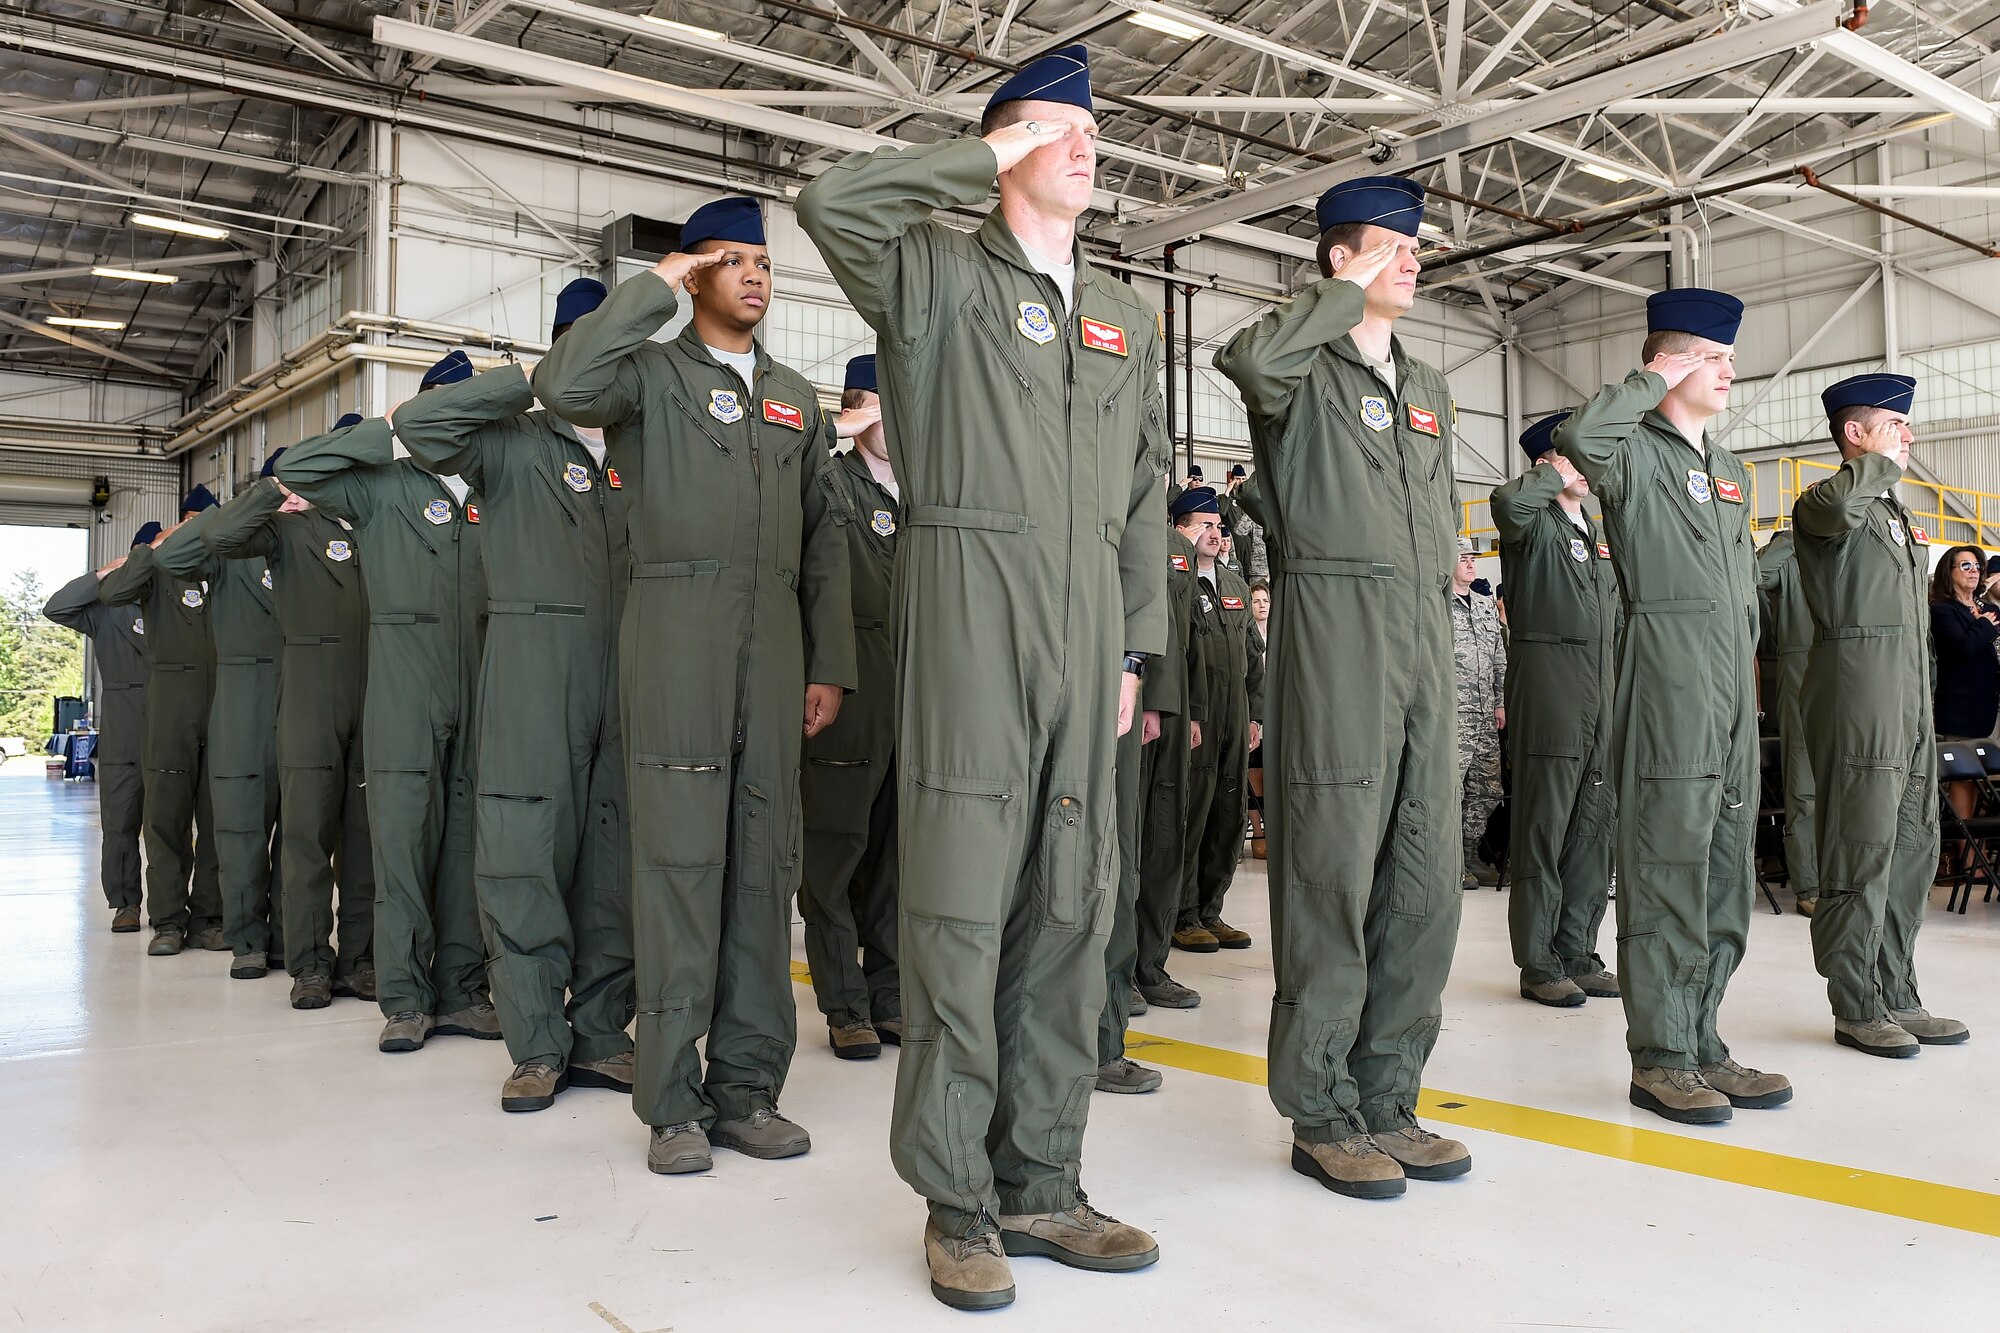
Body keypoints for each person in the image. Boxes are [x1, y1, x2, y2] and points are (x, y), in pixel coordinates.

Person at [798, 43, 1168, 1311]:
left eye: (1089, 131)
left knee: (1071, 902)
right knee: (958, 903)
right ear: (1006, 142)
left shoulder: (1123, 308)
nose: (1084, 146)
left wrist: (1131, 644)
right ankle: (956, 1199)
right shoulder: (933, 271)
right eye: (1056, 128)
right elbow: (829, 204)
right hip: (964, 598)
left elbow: (1136, 491)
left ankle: (1043, 1179)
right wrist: (980, 157)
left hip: (1083, 628)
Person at [535, 199, 856, 1174]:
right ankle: (671, 1099)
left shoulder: (797, 401)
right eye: (732, 261)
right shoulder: (647, 376)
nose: (755, 276)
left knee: (762, 874)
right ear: (696, 274)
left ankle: (747, 1089)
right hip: (675, 640)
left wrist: (828, 661)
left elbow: (826, 538)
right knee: (677, 869)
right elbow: (560, 383)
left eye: (764, 262)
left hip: (774, 648)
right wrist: (655, 287)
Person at [1215, 174, 1469, 1198]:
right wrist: (1336, 292)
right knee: (1329, 870)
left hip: (1419, 635)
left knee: (1421, 882)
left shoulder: (1428, 387)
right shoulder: (1299, 366)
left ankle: (1386, 1092)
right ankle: (1320, 1110)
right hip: (1332, 625)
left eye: (1414, 247)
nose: (1412, 258)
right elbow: (1242, 355)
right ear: (1337, 259)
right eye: (1390, 244)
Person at [391, 313, 636, 1114]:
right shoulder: (512, 440)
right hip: (534, 665)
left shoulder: (645, 444)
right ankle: (537, 1042)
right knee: (522, 848)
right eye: (587, 346)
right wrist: (531, 381)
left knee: (619, 857)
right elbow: (419, 425)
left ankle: (602, 1031)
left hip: (635, 668)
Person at [1556, 287, 1791, 1125]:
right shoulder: (1633, 449)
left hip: (1731, 690)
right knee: (1666, 866)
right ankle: (1659, 1055)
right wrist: (1648, 378)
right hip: (1667, 679)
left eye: (1728, 357)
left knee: (1726, 866)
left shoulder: (1728, 470)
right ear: (1676, 359)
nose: (1730, 370)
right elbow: (1576, 438)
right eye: (1714, 356)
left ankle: (1702, 1038)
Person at [276, 375, 499, 1052]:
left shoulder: (498, 486)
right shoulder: (381, 486)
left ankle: (462, 990)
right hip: (404, 680)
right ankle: (405, 997)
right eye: (441, 408)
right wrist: (390, 428)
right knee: (401, 840)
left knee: (469, 841)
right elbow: (297, 467)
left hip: (487, 674)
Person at [1793, 372, 1968, 1057]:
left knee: (1911, 849)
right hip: (1857, 690)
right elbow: (1834, 507)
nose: (1909, 436)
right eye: (1896, 425)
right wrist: (1873, 463)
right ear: (1854, 434)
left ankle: (1896, 987)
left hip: (1908, 697)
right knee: (1861, 849)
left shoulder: (1893, 511)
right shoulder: (1826, 501)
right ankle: (1855, 1002)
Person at [198, 446, 375, 1010]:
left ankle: (359, 960)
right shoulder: (282, 529)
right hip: (309, 687)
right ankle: (309, 963)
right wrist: (275, 488)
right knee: (306, 835)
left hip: (374, 686)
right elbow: (221, 538)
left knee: (365, 838)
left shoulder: (367, 520)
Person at [1489, 413, 1619, 1008]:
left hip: (1600, 687)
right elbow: (1506, 503)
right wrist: (1551, 472)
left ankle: (1577, 949)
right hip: (1549, 684)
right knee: (1545, 826)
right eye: (1578, 456)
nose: (1591, 467)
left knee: (1593, 825)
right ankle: (1538, 960)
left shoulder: (1594, 528)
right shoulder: (1531, 518)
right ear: (1548, 461)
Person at [798, 354, 902, 1062]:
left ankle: (890, 993)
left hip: (913, 688)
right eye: (884, 403)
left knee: (900, 852)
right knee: (835, 849)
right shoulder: (828, 480)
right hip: (851, 681)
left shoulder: (922, 493)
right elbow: (823, 584)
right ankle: (844, 1002)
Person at [153, 468, 288, 978]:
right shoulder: (229, 547)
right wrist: (233, 510)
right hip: (244, 701)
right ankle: (247, 936)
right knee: (241, 827)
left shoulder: (321, 539)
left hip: (306, 693)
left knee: (300, 830)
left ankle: (291, 938)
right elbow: (172, 556)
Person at [96, 489, 224, 956]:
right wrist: (151, 549)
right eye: (189, 520)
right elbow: (113, 592)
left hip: (225, 704)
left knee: (218, 821)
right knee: (165, 818)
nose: (198, 529)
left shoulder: (233, 565)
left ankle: (210, 918)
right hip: (169, 705)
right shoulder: (160, 571)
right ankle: (169, 920)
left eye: (206, 521)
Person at [1097, 482, 1184, 1095]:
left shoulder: (1133, 472)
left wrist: (1137, 675)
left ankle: (1102, 1041)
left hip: (1116, 683)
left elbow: (1148, 598)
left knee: (1117, 866)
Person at [43, 529, 153, 933]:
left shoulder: (182, 599)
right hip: (124, 728)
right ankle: (125, 902)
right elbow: (57, 608)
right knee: (121, 820)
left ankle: (177, 909)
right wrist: (105, 572)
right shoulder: (106, 608)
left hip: (175, 723)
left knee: (173, 823)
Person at [1178, 489, 1263, 951]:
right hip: (1197, 717)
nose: (1215, 535)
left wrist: (1256, 716)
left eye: (1219, 527)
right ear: (1182, 530)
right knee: (1192, 814)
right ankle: (1181, 912)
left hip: (1235, 719)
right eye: (1204, 526)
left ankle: (1212, 910)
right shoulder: (1177, 582)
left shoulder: (1234, 587)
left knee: (1228, 818)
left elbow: (1254, 656)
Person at [1139, 495, 1209, 1001]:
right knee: (1125, 841)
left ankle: (1148, 964)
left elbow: (1190, 638)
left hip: (1170, 707)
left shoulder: (1172, 548)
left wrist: (1194, 710)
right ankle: (1115, 973)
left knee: (1165, 836)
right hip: (1130, 703)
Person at [1755, 528, 1820, 916]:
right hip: (1801, 669)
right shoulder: (1791, 555)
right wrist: (1793, 538)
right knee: (1805, 787)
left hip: (1850, 670)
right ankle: (1810, 885)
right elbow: (1757, 574)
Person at [1450, 538, 1505, 888]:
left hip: (1486, 715)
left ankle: (1470, 855)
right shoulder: (1439, 604)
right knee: (1450, 790)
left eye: (1473, 559)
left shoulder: (1486, 606)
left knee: (1487, 790)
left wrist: (1500, 701)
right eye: (1464, 559)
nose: (1471, 564)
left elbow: (1500, 657)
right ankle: (1451, 862)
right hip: (1454, 715)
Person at [1246, 578, 1270, 859]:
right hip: (1254, 711)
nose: (1262, 605)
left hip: (1272, 713)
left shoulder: (1277, 634)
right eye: (1256, 601)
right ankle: (1257, 831)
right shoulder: (1249, 636)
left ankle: (1270, 829)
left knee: (1267, 772)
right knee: (1253, 773)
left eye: (1265, 600)